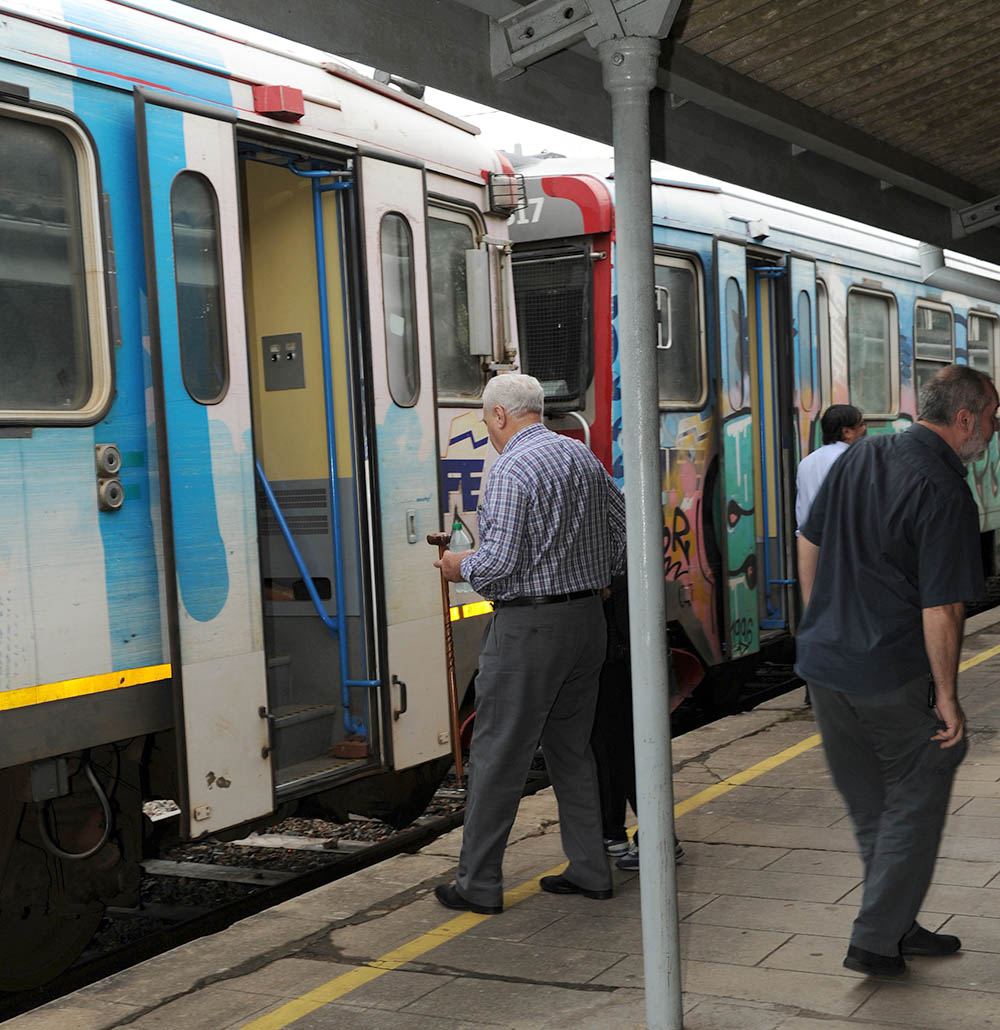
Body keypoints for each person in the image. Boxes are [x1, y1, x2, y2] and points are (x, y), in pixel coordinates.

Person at [795, 364, 998, 978]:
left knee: (873, 807)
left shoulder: (859, 455)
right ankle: (876, 940)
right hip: (891, 671)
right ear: (963, 419)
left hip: (827, 667)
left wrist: (818, 622)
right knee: (924, 778)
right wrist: (948, 696)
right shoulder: (944, 489)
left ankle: (897, 919)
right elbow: (943, 608)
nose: (992, 430)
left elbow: (810, 539)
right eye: (992, 417)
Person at [432, 373, 626, 914]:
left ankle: (478, 884)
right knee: (572, 748)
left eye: (485, 420)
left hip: (530, 630)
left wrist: (457, 567)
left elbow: (498, 566)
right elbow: (623, 534)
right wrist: (594, 577)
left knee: (498, 755)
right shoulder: (581, 456)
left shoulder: (512, 469)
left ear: (499, 415)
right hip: (588, 621)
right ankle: (591, 868)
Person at [795, 404, 866, 533]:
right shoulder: (852, 461)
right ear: (847, 432)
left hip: (810, 542)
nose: (864, 429)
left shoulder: (806, 462)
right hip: (841, 542)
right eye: (861, 425)